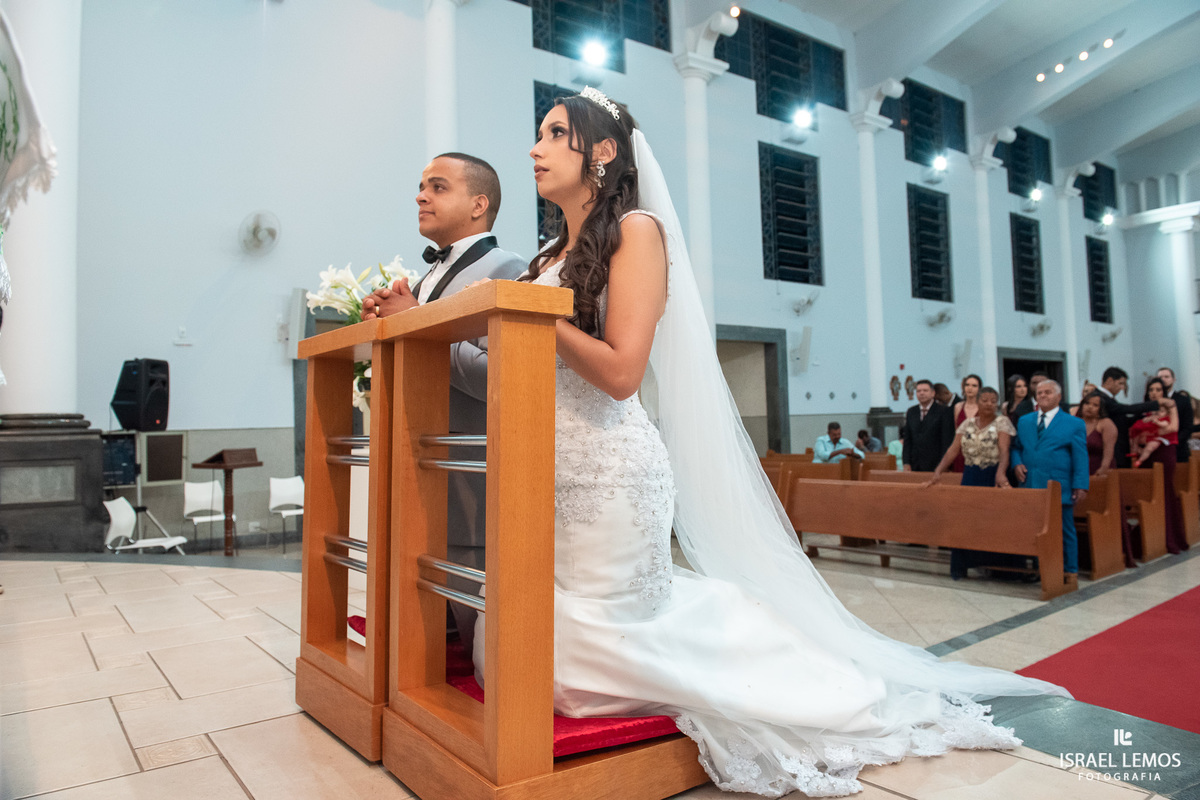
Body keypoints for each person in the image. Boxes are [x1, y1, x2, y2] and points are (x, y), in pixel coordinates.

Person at [471, 88, 1065, 798]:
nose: (534, 149)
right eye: (537, 133)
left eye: (555, 133)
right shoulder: (547, 255)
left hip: (609, 473)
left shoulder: (638, 231)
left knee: (566, 659)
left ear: (601, 150)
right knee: (514, 645)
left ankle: (785, 673)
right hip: (547, 468)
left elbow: (623, 373)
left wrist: (527, 315)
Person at [361, 152, 526, 660]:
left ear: (479, 204)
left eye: (437, 186)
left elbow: (504, 377)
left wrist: (418, 325)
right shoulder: (428, 275)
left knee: (479, 654)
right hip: (424, 476)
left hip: (469, 490)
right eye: (420, 185)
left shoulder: (509, 270)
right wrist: (386, 330)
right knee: (430, 650)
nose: (420, 195)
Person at [925, 387, 1014, 580]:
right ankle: (964, 564)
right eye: (985, 400)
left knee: (991, 521)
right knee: (966, 519)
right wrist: (938, 471)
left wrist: (1001, 473)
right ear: (978, 403)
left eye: (993, 400)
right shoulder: (967, 424)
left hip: (991, 474)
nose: (989, 404)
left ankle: (993, 565)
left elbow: (1004, 450)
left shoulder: (1002, 422)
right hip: (971, 475)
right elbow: (953, 449)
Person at [1010, 379, 1089, 579]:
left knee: (1064, 528)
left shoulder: (1074, 423)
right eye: (1039, 393)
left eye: (1048, 392)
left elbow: (1080, 457)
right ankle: (1040, 567)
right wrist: (1017, 462)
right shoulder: (1025, 421)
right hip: (1031, 482)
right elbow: (1017, 446)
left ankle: (1070, 570)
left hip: (1058, 483)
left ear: (1059, 397)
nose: (1043, 396)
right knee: (1035, 527)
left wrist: (1080, 485)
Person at [1137, 378, 1187, 555]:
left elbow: (1173, 428)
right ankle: (1153, 537)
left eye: (1158, 389)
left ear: (1164, 392)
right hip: (1148, 454)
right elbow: (1137, 434)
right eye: (1151, 389)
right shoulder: (1144, 409)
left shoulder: (1170, 407)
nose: (1154, 393)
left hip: (1165, 451)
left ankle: (1172, 537)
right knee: (1150, 493)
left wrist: (1152, 432)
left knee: (1165, 491)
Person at [1095, 366, 1163, 465]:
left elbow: (1122, 421)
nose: (1122, 387)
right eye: (1120, 383)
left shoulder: (1109, 398)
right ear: (1109, 381)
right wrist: (1155, 404)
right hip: (1110, 447)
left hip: (1119, 447)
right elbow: (1126, 409)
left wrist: (1143, 416)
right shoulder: (1100, 397)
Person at [902, 379, 956, 472]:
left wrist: (944, 464)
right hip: (915, 463)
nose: (921, 393)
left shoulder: (943, 411)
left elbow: (946, 440)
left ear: (933, 393)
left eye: (925, 391)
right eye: (919, 391)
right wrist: (906, 462)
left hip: (935, 463)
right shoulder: (911, 411)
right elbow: (907, 439)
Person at [1073, 391, 1116, 475]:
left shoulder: (1106, 423)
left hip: (1100, 470)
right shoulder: (1074, 422)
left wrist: (1103, 469)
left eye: (1095, 405)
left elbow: (1109, 451)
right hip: (1078, 470)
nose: (1090, 407)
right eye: (1087, 403)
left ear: (1101, 408)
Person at [1157, 366, 1193, 463]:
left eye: (1166, 377)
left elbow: (1188, 426)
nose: (1163, 380)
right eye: (1160, 377)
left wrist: (1172, 442)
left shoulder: (1183, 400)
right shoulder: (1154, 400)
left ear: (1173, 379)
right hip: (1157, 449)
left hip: (1179, 449)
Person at [950, 374, 982, 472]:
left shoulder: (983, 407)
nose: (970, 388)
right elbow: (956, 431)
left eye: (974, 386)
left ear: (979, 388)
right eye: (967, 385)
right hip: (961, 452)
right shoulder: (958, 407)